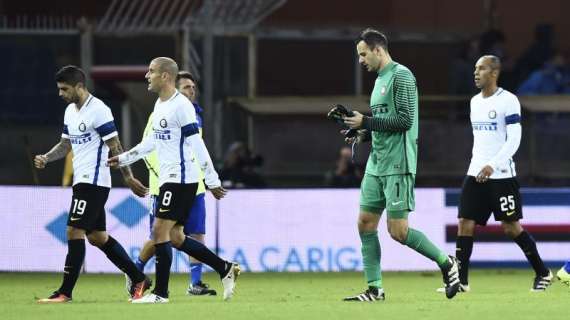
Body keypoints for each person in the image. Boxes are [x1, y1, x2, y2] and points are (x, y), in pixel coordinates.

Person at [340, 28, 460, 302]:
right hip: (376, 162)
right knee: (365, 223)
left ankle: (447, 263)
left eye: (363, 54)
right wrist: (364, 132)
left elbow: (405, 121)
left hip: (398, 163)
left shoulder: (402, 76)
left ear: (378, 50)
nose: (360, 60)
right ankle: (375, 289)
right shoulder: (380, 79)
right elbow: (385, 122)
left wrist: (367, 122)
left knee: (398, 231)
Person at [108, 57, 240, 303]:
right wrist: (125, 159)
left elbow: (196, 143)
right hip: (173, 178)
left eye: (151, 71)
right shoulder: (160, 104)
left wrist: (211, 179)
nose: (147, 76)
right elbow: (151, 143)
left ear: (165, 76)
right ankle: (225, 268)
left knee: (159, 232)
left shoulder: (182, 106)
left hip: (180, 178)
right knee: (176, 237)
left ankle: (160, 293)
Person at [35, 65, 151, 303]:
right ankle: (139, 278)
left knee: (73, 230)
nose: (60, 93)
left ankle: (65, 292)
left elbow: (115, 146)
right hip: (82, 180)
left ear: (79, 86)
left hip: (95, 181)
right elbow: (65, 145)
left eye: (64, 89)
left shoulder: (99, 110)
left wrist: (128, 177)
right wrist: (47, 157)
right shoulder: (70, 111)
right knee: (97, 237)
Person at [437, 55, 552, 293]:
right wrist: (479, 165)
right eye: (475, 69)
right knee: (464, 223)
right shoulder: (474, 102)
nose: (475, 73)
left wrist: (493, 164)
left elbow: (515, 139)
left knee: (511, 227)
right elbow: (481, 141)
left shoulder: (508, 100)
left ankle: (543, 272)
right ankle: (462, 282)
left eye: (481, 69)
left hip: (501, 175)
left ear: (494, 73)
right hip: (475, 172)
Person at [129, 70, 216, 296]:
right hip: (166, 185)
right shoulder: (160, 112)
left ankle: (195, 283)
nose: (191, 91)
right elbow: (148, 148)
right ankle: (135, 272)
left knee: (196, 233)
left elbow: (195, 150)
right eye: (187, 87)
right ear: (175, 87)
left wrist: (204, 178)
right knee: (160, 235)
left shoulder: (195, 115)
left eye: (194, 88)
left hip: (193, 185)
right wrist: (163, 176)